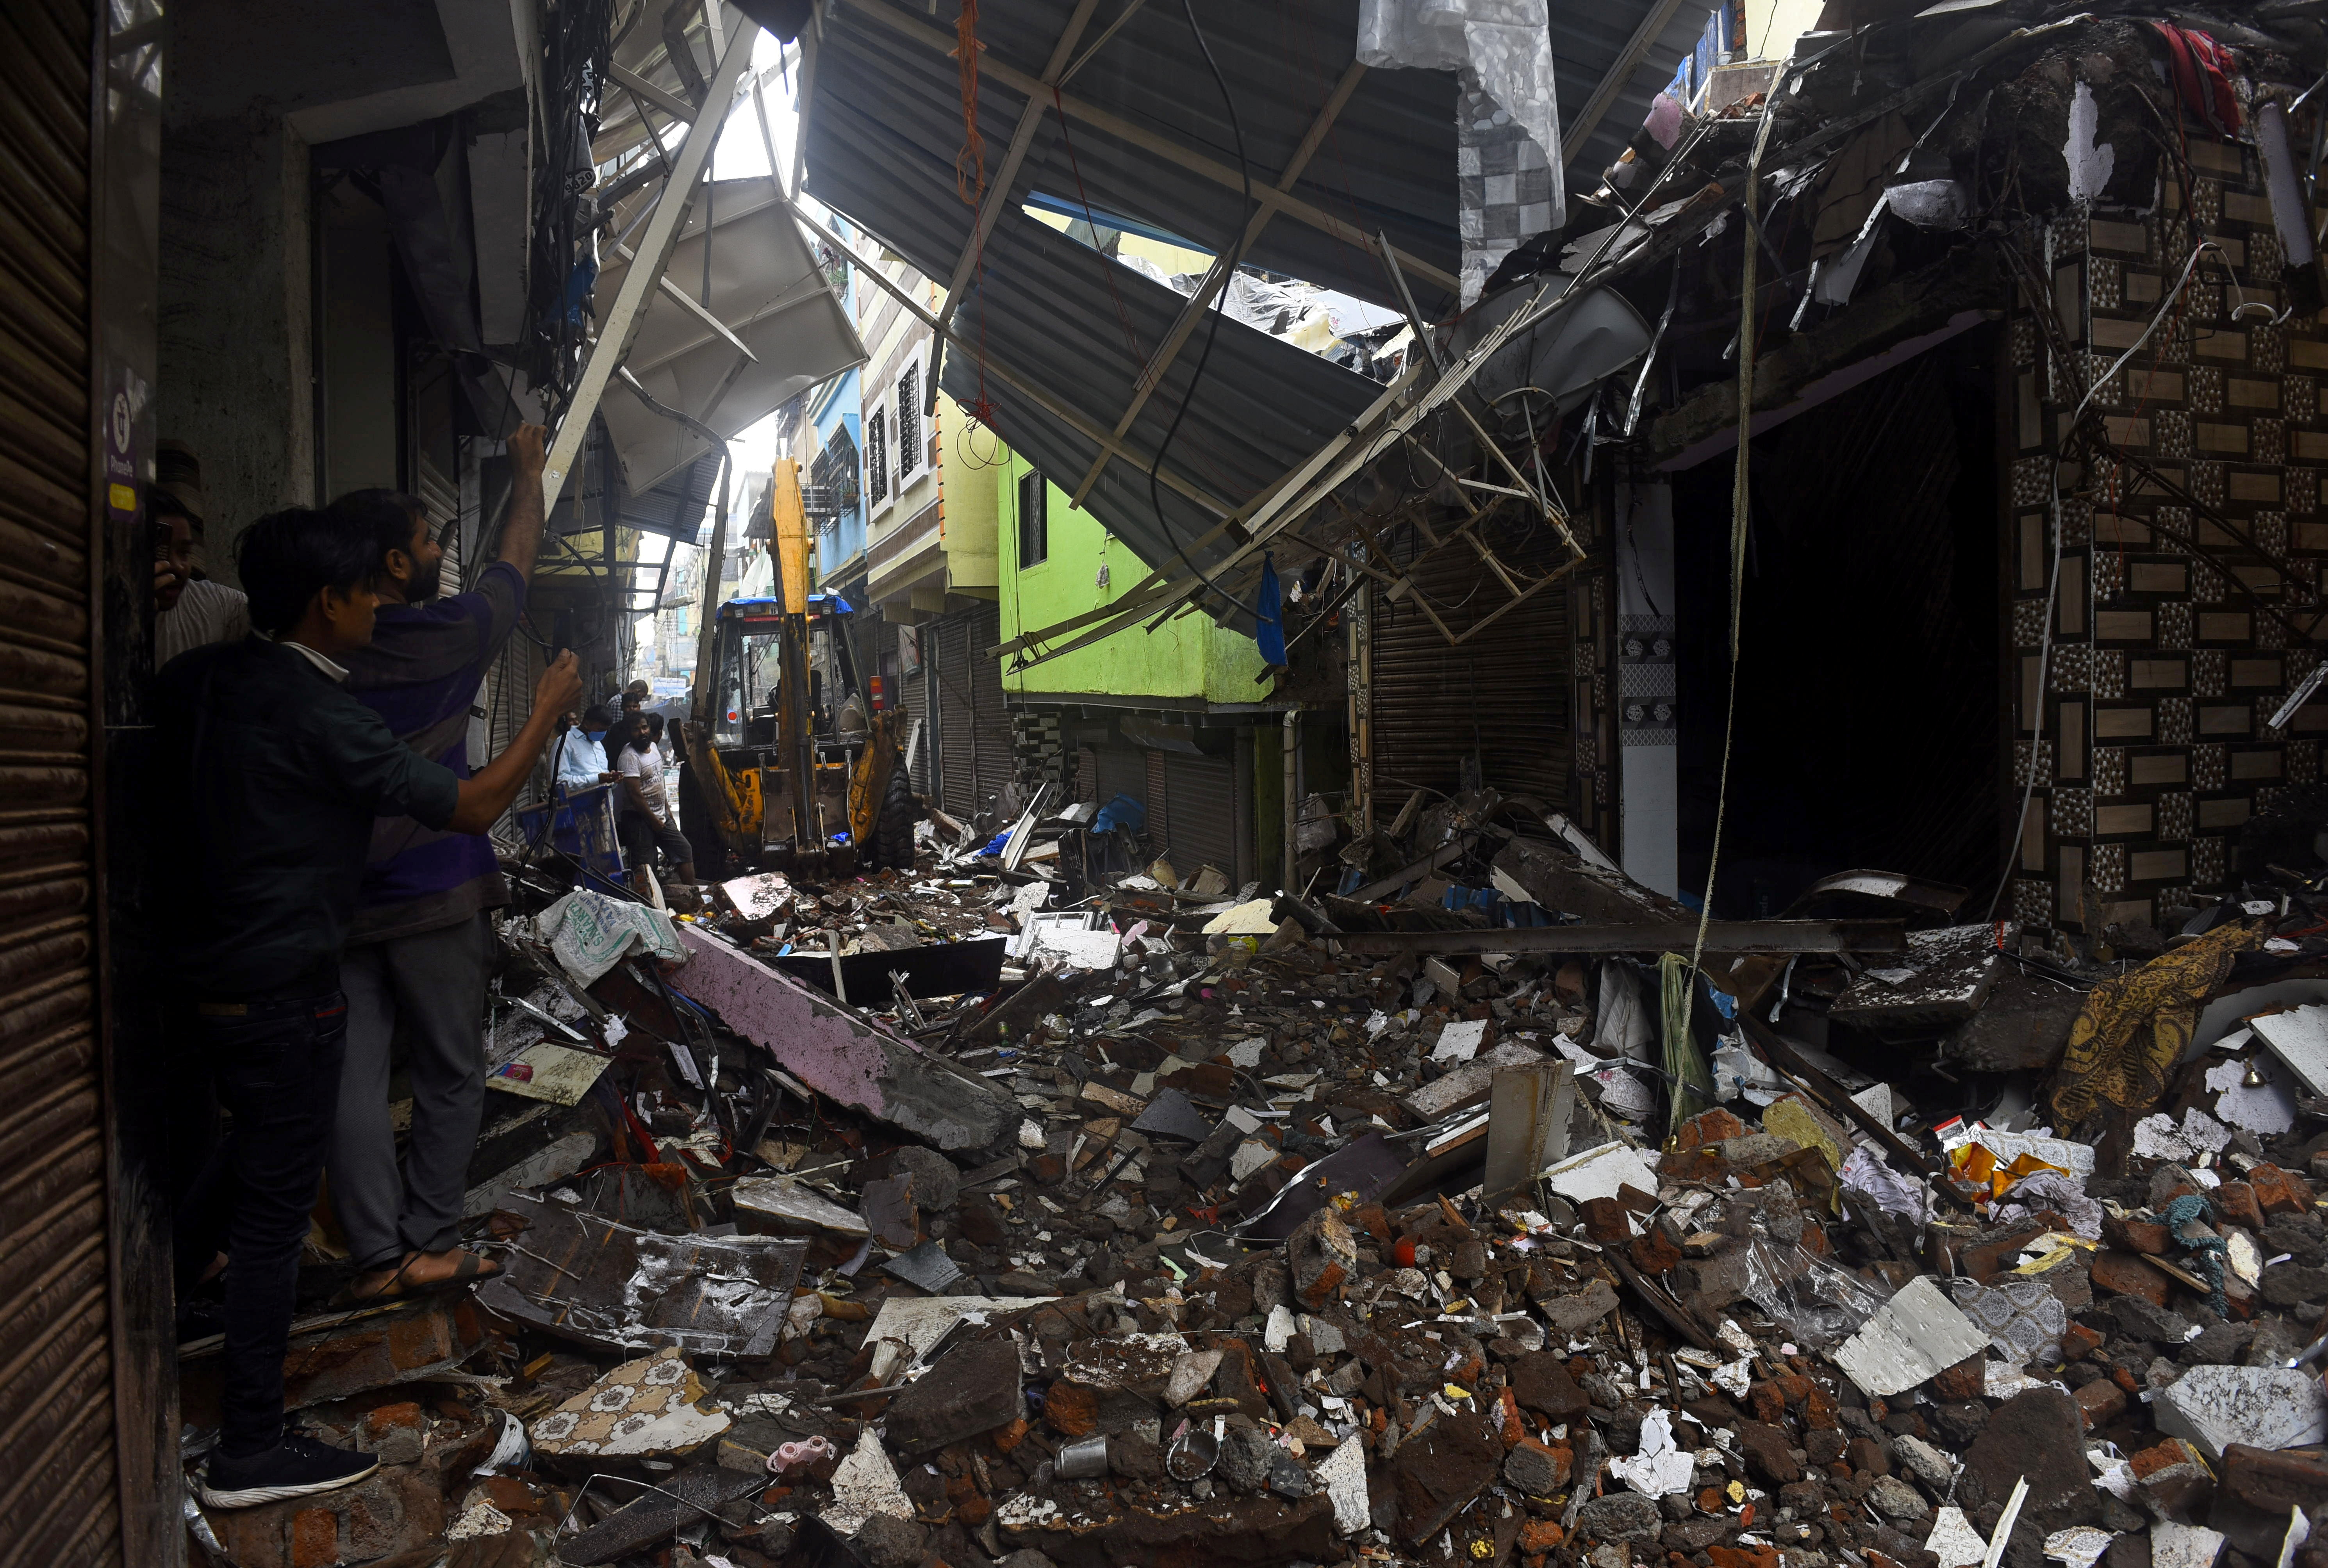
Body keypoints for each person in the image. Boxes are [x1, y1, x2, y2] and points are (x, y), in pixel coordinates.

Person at [155, 506, 579, 1509]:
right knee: (273, 1208)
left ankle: (183, 1282)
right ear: (328, 600)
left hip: (201, 973)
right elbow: (471, 805)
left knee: (255, 1142)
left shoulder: (195, 682)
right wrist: (547, 707)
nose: (383, 606)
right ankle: (249, 1450)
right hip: (282, 979)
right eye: (368, 591)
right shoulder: (322, 711)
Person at [323, 424, 551, 1306]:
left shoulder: (317, 651)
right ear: (392, 563)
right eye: (425, 542)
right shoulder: (448, 638)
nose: (436, 555)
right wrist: (527, 473)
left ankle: (375, 1255)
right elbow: (517, 561)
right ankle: (428, 1241)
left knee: (351, 1074)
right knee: (453, 1069)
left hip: (341, 901)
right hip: (436, 892)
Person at [151, 438, 251, 665]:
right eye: (163, 552)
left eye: (185, 553)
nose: (177, 566)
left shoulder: (215, 604)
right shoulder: (104, 609)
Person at [615, 712, 696, 892]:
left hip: (661, 816)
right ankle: (646, 907)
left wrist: (666, 811)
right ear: (629, 733)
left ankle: (693, 897)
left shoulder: (653, 747)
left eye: (645, 727)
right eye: (636, 730)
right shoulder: (629, 757)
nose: (642, 732)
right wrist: (653, 821)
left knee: (684, 850)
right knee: (645, 868)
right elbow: (634, 794)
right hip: (639, 820)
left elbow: (659, 782)